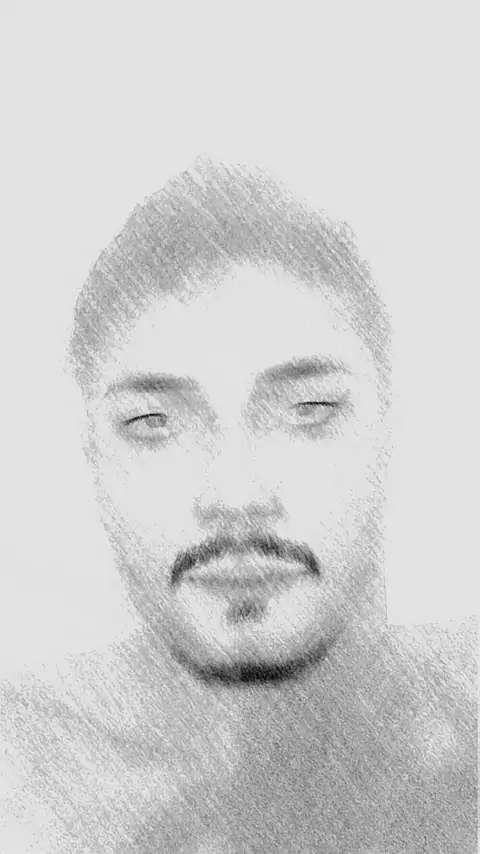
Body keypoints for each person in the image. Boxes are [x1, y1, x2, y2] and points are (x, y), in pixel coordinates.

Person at [1, 156, 476, 853]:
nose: (235, 494)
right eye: (153, 424)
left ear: (393, 432)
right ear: (91, 457)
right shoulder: (20, 775)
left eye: (308, 411)